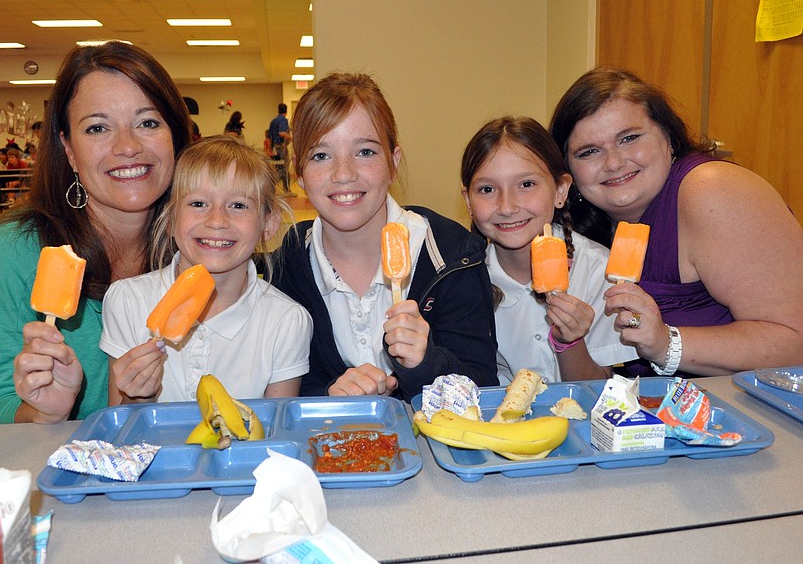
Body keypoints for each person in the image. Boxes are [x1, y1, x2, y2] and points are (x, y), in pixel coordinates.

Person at [0, 41, 192, 425]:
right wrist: (42, 410)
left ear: (175, 137)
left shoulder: (195, 252)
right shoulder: (11, 253)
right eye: (98, 128)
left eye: (148, 122)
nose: (128, 146)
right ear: (68, 149)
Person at [549, 66, 803, 377]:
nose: (614, 163)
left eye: (629, 138)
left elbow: (795, 341)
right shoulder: (586, 229)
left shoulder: (711, 191)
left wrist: (666, 344)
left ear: (668, 137)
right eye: (589, 152)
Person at [272, 72, 498, 401]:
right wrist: (326, 398)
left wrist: (426, 363)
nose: (344, 173)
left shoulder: (451, 255)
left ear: (393, 163)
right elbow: (282, 390)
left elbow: (485, 388)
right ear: (299, 174)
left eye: (365, 152)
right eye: (321, 156)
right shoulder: (287, 266)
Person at [100, 136, 312, 404]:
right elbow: (121, 436)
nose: (216, 220)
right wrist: (138, 397)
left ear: (267, 224)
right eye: (198, 204)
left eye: (238, 205)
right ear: (170, 219)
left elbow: (274, 432)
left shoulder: (286, 322)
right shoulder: (127, 301)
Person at [461, 116, 637, 385]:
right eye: (487, 189)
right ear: (468, 202)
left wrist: (570, 341)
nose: (507, 207)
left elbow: (598, 390)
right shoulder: (463, 280)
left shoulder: (600, 271)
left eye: (526, 184)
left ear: (560, 190)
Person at [268, 103, 292, 192]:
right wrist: (291, 139)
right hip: (281, 148)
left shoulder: (273, 121)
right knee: (284, 169)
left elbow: (269, 137)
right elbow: (282, 133)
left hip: (274, 148)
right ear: (286, 111)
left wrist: (270, 149)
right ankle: (286, 190)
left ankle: (271, 186)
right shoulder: (283, 120)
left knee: (278, 168)